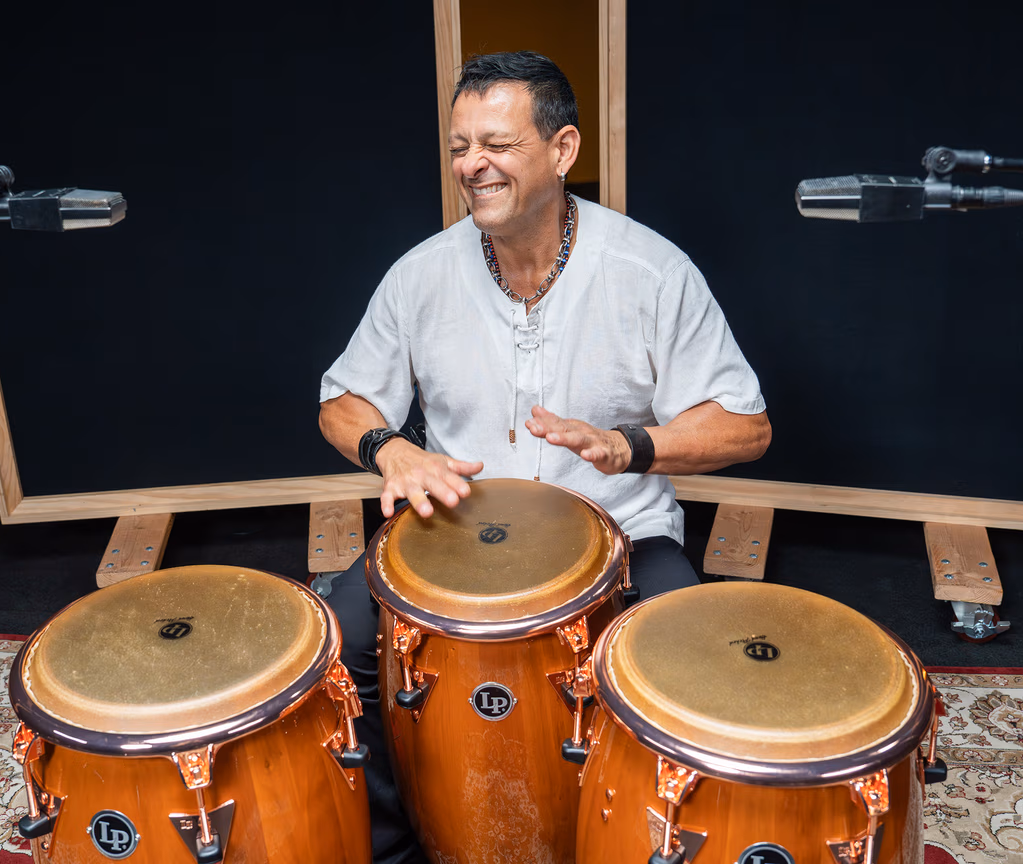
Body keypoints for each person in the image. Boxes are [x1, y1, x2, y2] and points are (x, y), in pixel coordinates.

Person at [318, 51, 770, 864]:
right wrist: (391, 449)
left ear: (562, 150)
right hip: (450, 535)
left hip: (620, 536)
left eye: (496, 143)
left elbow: (746, 425)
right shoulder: (419, 274)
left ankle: (626, 844)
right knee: (336, 650)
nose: (472, 165)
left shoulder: (649, 270)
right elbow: (341, 401)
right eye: (460, 147)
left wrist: (631, 445)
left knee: (683, 670)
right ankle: (397, 846)